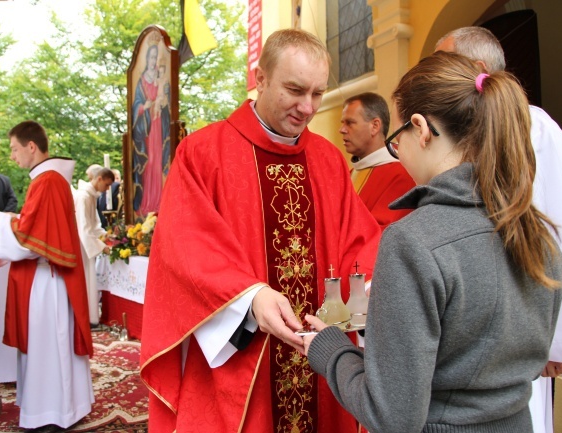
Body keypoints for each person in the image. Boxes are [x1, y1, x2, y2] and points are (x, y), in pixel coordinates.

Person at [303, 51, 562, 433]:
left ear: (420, 128)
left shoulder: (412, 242)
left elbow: (392, 415)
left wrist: (328, 349)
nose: (398, 154)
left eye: (396, 141)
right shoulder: (537, 233)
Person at [140, 29, 381, 433]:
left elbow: (360, 241)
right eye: (295, 89)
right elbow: (185, 248)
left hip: (322, 362)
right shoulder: (203, 153)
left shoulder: (327, 160)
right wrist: (251, 298)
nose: (308, 108)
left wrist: (367, 290)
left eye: (318, 94)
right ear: (261, 78)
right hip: (242, 360)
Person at [435, 26, 562, 433]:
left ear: (476, 69)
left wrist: (552, 340)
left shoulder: (534, 130)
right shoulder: (469, 132)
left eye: (443, 61)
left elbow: (557, 229)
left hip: (521, 336)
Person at [0, 120, 94, 431]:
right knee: (50, 347)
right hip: (46, 278)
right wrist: (9, 218)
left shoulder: (48, 181)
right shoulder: (49, 179)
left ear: (31, 147)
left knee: (48, 347)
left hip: (45, 281)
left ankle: (52, 412)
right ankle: (59, 407)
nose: (12, 156)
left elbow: (31, 239)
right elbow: (36, 225)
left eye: (14, 149)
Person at [340, 92, 415, 229]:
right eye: (342, 123)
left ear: (375, 126)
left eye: (350, 123)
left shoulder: (401, 175)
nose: (342, 130)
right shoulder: (349, 175)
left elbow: (383, 233)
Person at [132, 42, 171, 216]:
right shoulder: (141, 81)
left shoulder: (160, 78)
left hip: (158, 128)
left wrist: (162, 104)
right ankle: (147, 203)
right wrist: (143, 107)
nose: (153, 60)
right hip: (146, 128)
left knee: (157, 162)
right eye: (151, 57)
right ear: (147, 59)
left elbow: (165, 101)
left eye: (156, 57)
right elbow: (136, 106)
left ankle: (159, 203)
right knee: (149, 163)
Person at [74, 166, 114, 325]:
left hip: (88, 244)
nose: (107, 189)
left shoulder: (91, 196)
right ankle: (86, 319)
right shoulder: (83, 197)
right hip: (82, 246)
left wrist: (106, 236)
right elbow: (83, 229)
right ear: (99, 179)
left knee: (91, 281)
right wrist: (102, 247)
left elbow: (95, 225)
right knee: (86, 281)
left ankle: (90, 318)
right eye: (107, 184)